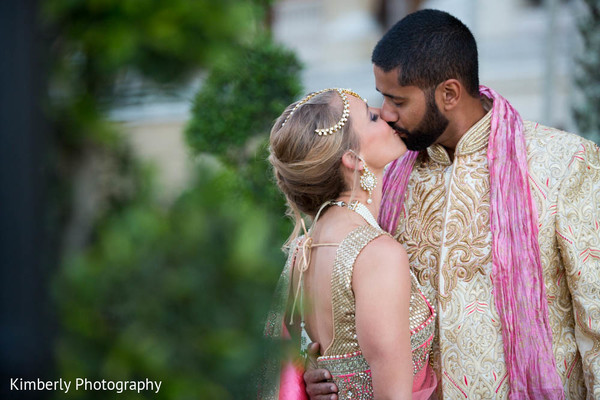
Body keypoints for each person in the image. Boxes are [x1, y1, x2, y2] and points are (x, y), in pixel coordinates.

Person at [304, 9, 600, 400]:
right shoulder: (383, 175)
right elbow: (340, 288)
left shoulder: (563, 164)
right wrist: (322, 366)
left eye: (397, 101)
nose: (387, 114)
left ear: (449, 94)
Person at [260, 88, 437, 399]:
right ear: (353, 160)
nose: (386, 114)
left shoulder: (303, 250)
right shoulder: (376, 254)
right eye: (371, 116)